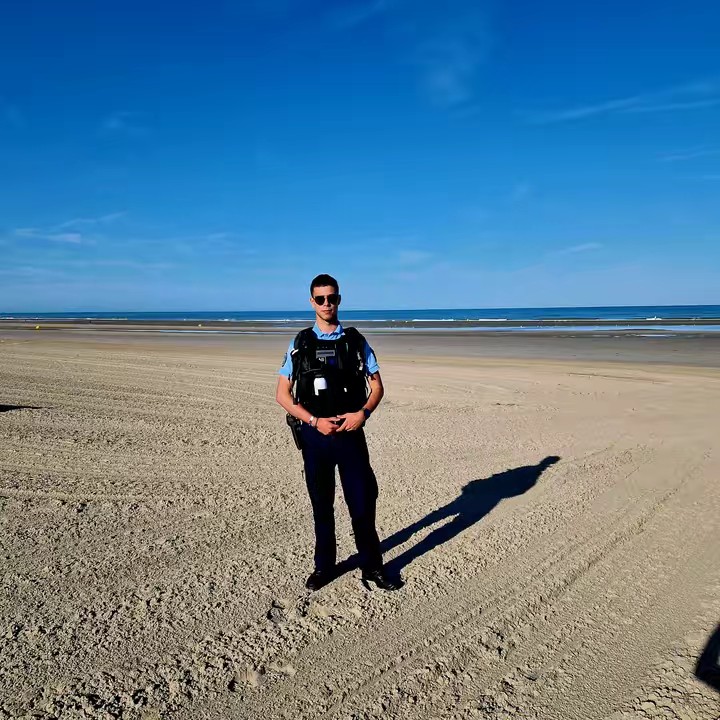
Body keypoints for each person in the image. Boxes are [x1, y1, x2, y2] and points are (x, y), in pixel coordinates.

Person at [275, 274, 400, 592]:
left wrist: (363, 413)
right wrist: (313, 421)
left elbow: (377, 387)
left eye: (332, 298)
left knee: (362, 504)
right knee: (322, 506)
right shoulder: (300, 343)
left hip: (350, 437)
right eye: (320, 299)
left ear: (339, 300)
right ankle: (324, 567)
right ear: (312, 302)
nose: (327, 304)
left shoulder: (356, 342)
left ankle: (372, 566)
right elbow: (282, 395)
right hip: (315, 439)